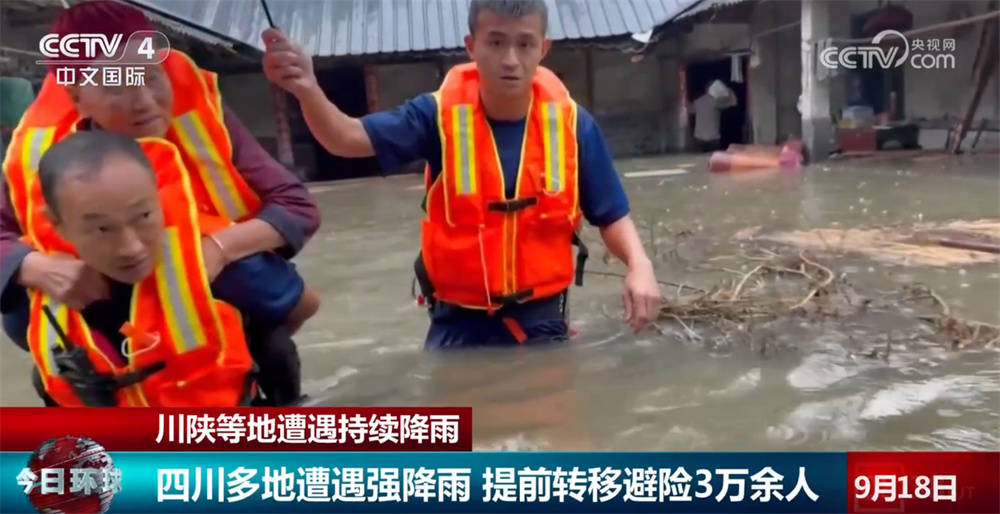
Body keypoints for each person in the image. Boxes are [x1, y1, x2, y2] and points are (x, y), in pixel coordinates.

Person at [262, 0, 662, 348]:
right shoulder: (435, 116)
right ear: (471, 46)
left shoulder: (573, 125)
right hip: (456, 325)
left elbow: (611, 214)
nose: (510, 59)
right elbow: (345, 138)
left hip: (543, 322)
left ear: (543, 49)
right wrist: (308, 89)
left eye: (524, 44)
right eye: (496, 43)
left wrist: (639, 265)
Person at [1, 1, 319, 405]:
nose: (145, 101)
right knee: (21, 309)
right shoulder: (39, 152)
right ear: (76, 96)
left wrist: (217, 250)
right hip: (96, 288)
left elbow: (296, 204)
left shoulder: (202, 116)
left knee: (256, 280)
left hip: (206, 277)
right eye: (118, 85)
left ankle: (259, 379)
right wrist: (38, 267)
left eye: (153, 76)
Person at [29, 130, 256, 407]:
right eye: (102, 229)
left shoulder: (218, 267)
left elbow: (291, 307)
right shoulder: (39, 287)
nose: (132, 248)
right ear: (56, 224)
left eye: (144, 216)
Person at [690, 81, 737, 153]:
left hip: (699, 137)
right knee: (713, 157)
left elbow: (689, 110)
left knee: (699, 158)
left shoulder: (698, 101)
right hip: (713, 137)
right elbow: (733, 102)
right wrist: (728, 91)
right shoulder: (717, 102)